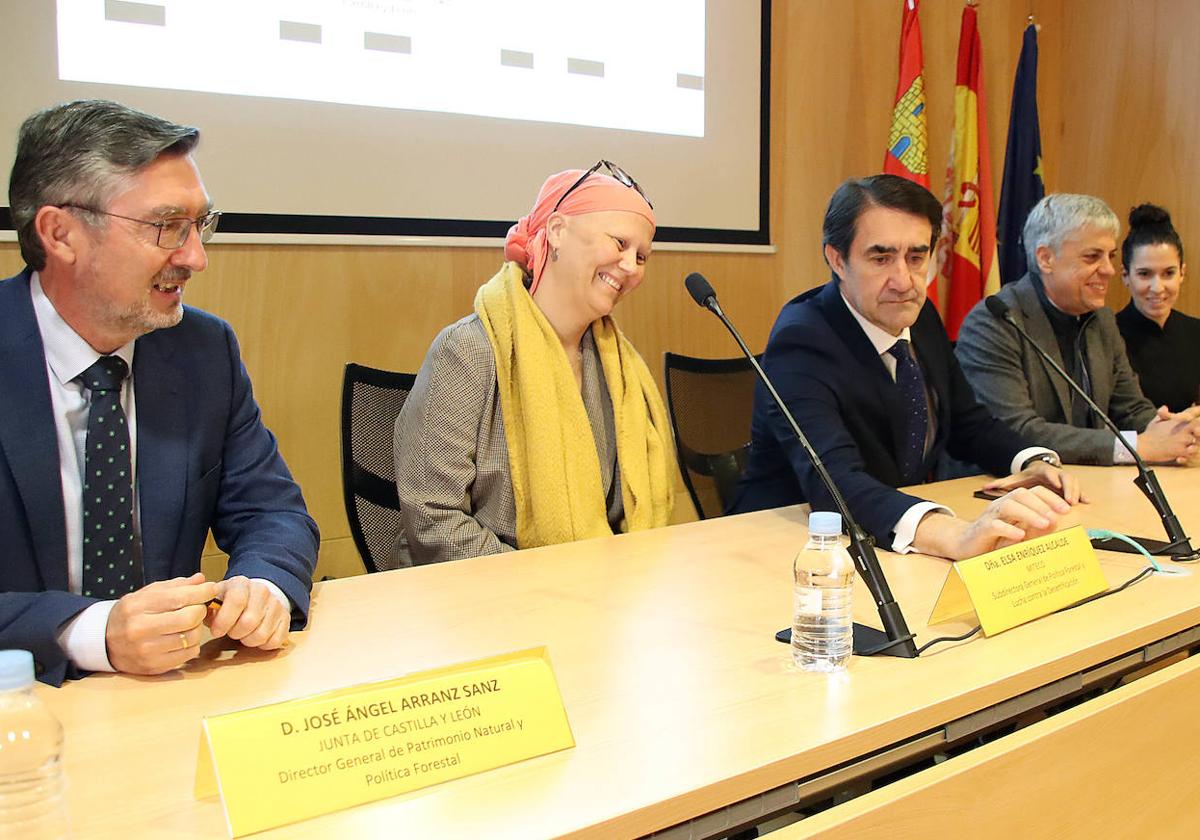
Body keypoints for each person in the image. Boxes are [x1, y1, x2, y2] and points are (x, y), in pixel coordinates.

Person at [0, 100, 319, 685]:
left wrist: (263, 585)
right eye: (165, 227)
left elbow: (272, 511)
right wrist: (93, 632)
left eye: (201, 225)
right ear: (59, 233)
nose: (196, 257)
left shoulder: (202, 350)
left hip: (170, 696)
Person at [728, 175, 1081, 561]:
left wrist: (1030, 460)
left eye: (917, 257)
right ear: (837, 259)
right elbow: (834, 480)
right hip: (789, 549)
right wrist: (953, 537)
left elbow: (967, 423)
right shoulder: (802, 342)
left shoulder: (919, 314)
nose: (904, 281)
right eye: (881, 258)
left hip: (887, 537)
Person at [394, 161, 674, 565]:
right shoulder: (468, 351)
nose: (630, 266)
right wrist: (548, 581)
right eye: (619, 243)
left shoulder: (620, 368)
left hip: (599, 593)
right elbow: (433, 520)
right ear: (558, 231)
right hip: (476, 600)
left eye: (642, 256)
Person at [956, 193, 1200, 465]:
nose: (1108, 270)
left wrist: (1175, 430)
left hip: (1086, 484)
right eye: (1092, 257)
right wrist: (1138, 445)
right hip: (1002, 488)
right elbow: (1014, 430)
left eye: (1110, 256)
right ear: (1046, 259)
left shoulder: (1101, 320)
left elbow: (1130, 408)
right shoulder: (995, 322)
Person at [1116, 203, 1200, 413]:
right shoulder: (1107, 336)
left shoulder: (1195, 331)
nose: (1157, 288)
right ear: (1126, 276)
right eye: (1145, 274)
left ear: (1182, 272)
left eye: (1168, 273)